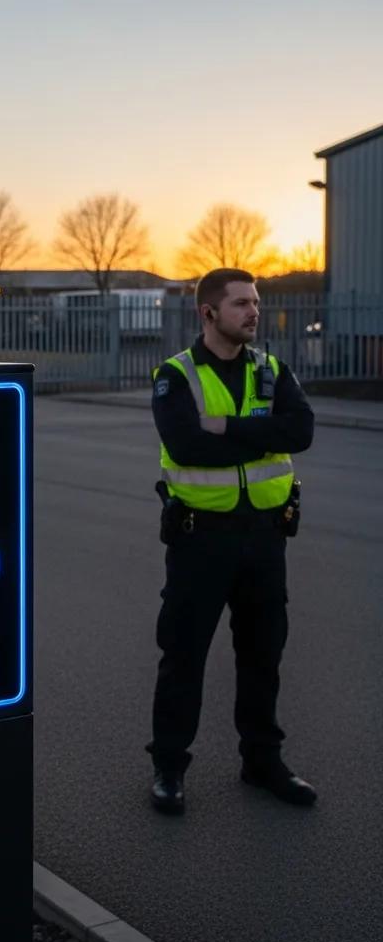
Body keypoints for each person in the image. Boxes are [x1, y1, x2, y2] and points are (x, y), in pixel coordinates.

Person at [147, 267, 316, 814]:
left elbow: (302, 432)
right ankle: (169, 767)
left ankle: (262, 762)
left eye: (256, 301)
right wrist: (258, 437)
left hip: (266, 541)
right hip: (202, 543)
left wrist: (226, 428)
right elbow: (188, 445)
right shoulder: (176, 376)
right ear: (208, 313)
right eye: (241, 302)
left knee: (263, 656)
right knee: (184, 656)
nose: (253, 311)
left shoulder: (272, 369)